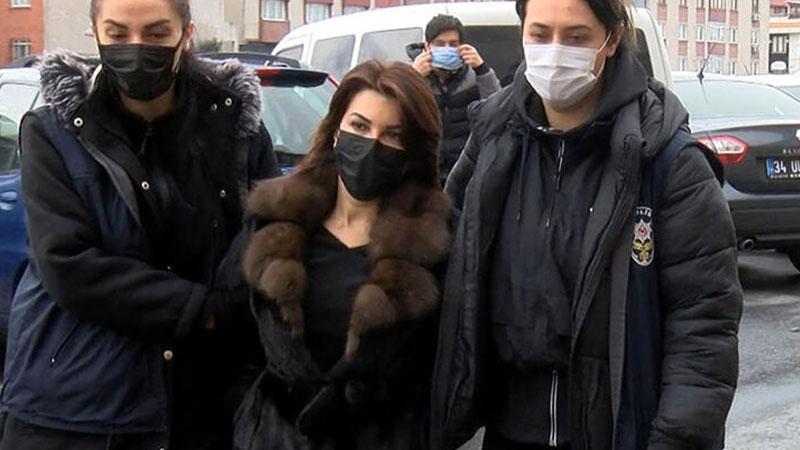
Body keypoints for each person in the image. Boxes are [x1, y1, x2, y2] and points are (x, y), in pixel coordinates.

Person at [430, 0, 743, 449]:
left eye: (576, 37)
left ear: (611, 39)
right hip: (507, 433)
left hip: (616, 434)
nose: (555, 52)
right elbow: (444, 262)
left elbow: (704, 327)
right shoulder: (493, 140)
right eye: (540, 34)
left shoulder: (666, 160)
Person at [0, 0, 279, 448]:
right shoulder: (53, 131)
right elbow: (67, 263)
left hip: (202, 406)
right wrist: (202, 310)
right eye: (117, 34)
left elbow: (269, 241)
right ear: (95, 34)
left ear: (186, 35)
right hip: (76, 410)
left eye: (156, 33)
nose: (136, 48)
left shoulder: (234, 131)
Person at [233, 60, 451, 450]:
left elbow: (446, 369)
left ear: (412, 150)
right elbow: (235, 336)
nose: (372, 144)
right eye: (360, 127)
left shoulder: (437, 244)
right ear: (336, 130)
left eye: (393, 135)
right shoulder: (273, 220)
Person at [411, 14, 501, 183]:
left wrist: (482, 69)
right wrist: (412, 77)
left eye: (453, 44)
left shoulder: (474, 76)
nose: (447, 49)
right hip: (426, 171)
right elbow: (398, 111)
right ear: (427, 46)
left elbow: (497, 110)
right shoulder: (415, 77)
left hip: (466, 170)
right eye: (440, 44)